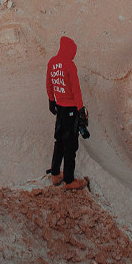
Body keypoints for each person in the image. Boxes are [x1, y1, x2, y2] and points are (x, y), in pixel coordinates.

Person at [45, 35, 88, 190]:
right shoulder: (69, 65)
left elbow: (49, 83)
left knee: (59, 141)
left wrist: (51, 100)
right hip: (71, 109)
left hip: (60, 109)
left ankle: (56, 174)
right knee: (70, 146)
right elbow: (76, 89)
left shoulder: (52, 62)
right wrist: (81, 109)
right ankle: (69, 181)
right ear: (69, 50)